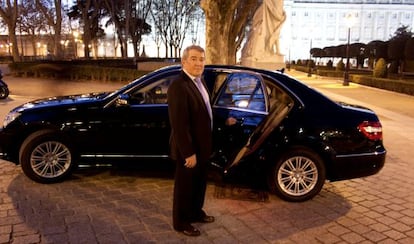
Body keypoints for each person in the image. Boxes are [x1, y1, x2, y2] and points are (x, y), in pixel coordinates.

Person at [167, 45, 215, 237]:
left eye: (201, 59)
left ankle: (196, 212)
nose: (198, 63)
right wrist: (188, 152)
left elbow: (203, 112)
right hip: (189, 150)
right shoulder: (179, 86)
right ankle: (181, 222)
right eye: (194, 59)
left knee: (199, 184)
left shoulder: (199, 82)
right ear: (184, 61)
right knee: (184, 188)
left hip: (203, 147)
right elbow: (179, 124)